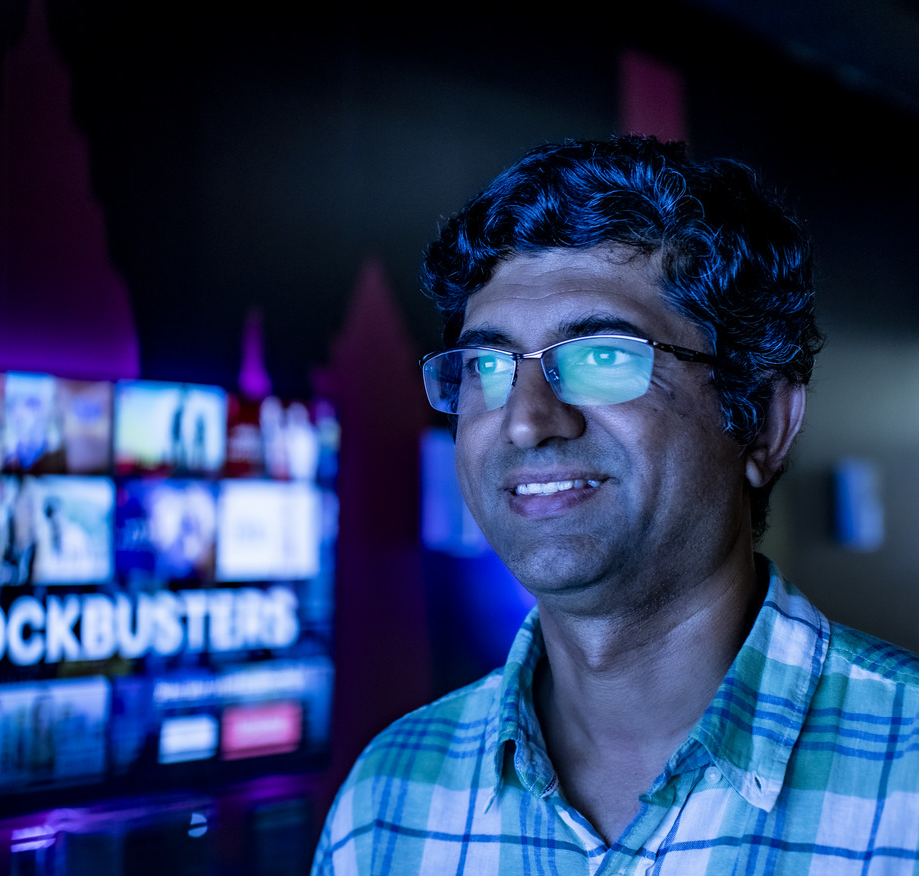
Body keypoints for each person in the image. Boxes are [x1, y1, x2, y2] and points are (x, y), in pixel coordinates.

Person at [311, 136, 919, 874]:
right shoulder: (389, 796)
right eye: (487, 366)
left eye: (602, 356)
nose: (527, 419)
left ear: (759, 420)